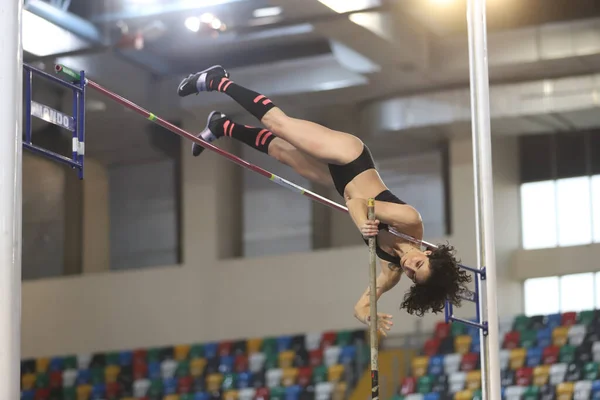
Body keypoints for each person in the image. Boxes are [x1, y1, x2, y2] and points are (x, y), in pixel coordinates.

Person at [178, 66, 471, 336]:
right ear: (429, 254)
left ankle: (222, 126)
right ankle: (218, 80)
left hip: (340, 182)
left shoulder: (391, 271)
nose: (408, 266)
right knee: (279, 124)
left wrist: (366, 313)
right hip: (350, 157)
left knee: (284, 153)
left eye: (411, 274)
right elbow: (358, 204)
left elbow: (361, 304)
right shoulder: (410, 220)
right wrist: (364, 226)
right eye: (417, 264)